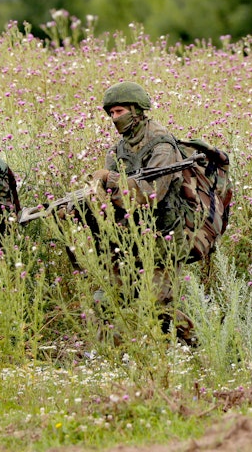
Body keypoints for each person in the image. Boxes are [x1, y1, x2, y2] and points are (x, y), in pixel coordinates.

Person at [88, 82, 196, 341]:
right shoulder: (120, 148)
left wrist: (111, 180)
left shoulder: (162, 145)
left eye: (120, 111)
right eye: (111, 113)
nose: (115, 118)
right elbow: (111, 198)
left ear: (137, 110)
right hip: (127, 238)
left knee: (159, 308)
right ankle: (113, 357)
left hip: (163, 239)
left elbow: (151, 194)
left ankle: (197, 348)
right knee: (106, 301)